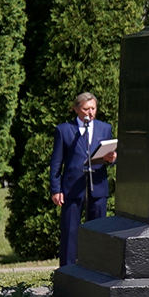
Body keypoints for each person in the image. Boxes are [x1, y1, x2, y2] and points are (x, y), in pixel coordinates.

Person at [47, 91, 116, 274]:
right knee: (70, 231)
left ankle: (97, 270)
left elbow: (110, 154)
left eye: (93, 108)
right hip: (72, 187)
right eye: (86, 109)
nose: (90, 113)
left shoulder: (104, 128)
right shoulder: (64, 130)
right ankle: (68, 271)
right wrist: (55, 188)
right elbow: (56, 162)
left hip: (97, 185)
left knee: (98, 230)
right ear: (76, 109)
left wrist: (112, 158)